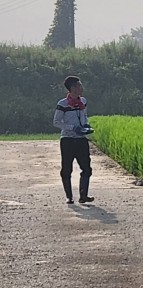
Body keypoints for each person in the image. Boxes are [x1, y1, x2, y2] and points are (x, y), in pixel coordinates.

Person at [53, 75, 94, 204]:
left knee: (86, 168)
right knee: (67, 169)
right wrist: (72, 127)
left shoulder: (83, 101)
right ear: (72, 88)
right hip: (68, 140)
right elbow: (56, 122)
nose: (81, 88)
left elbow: (84, 115)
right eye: (78, 85)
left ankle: (83, 195)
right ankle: (69, 196)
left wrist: (85, 125)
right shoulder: (62, 104)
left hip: (81, 138)